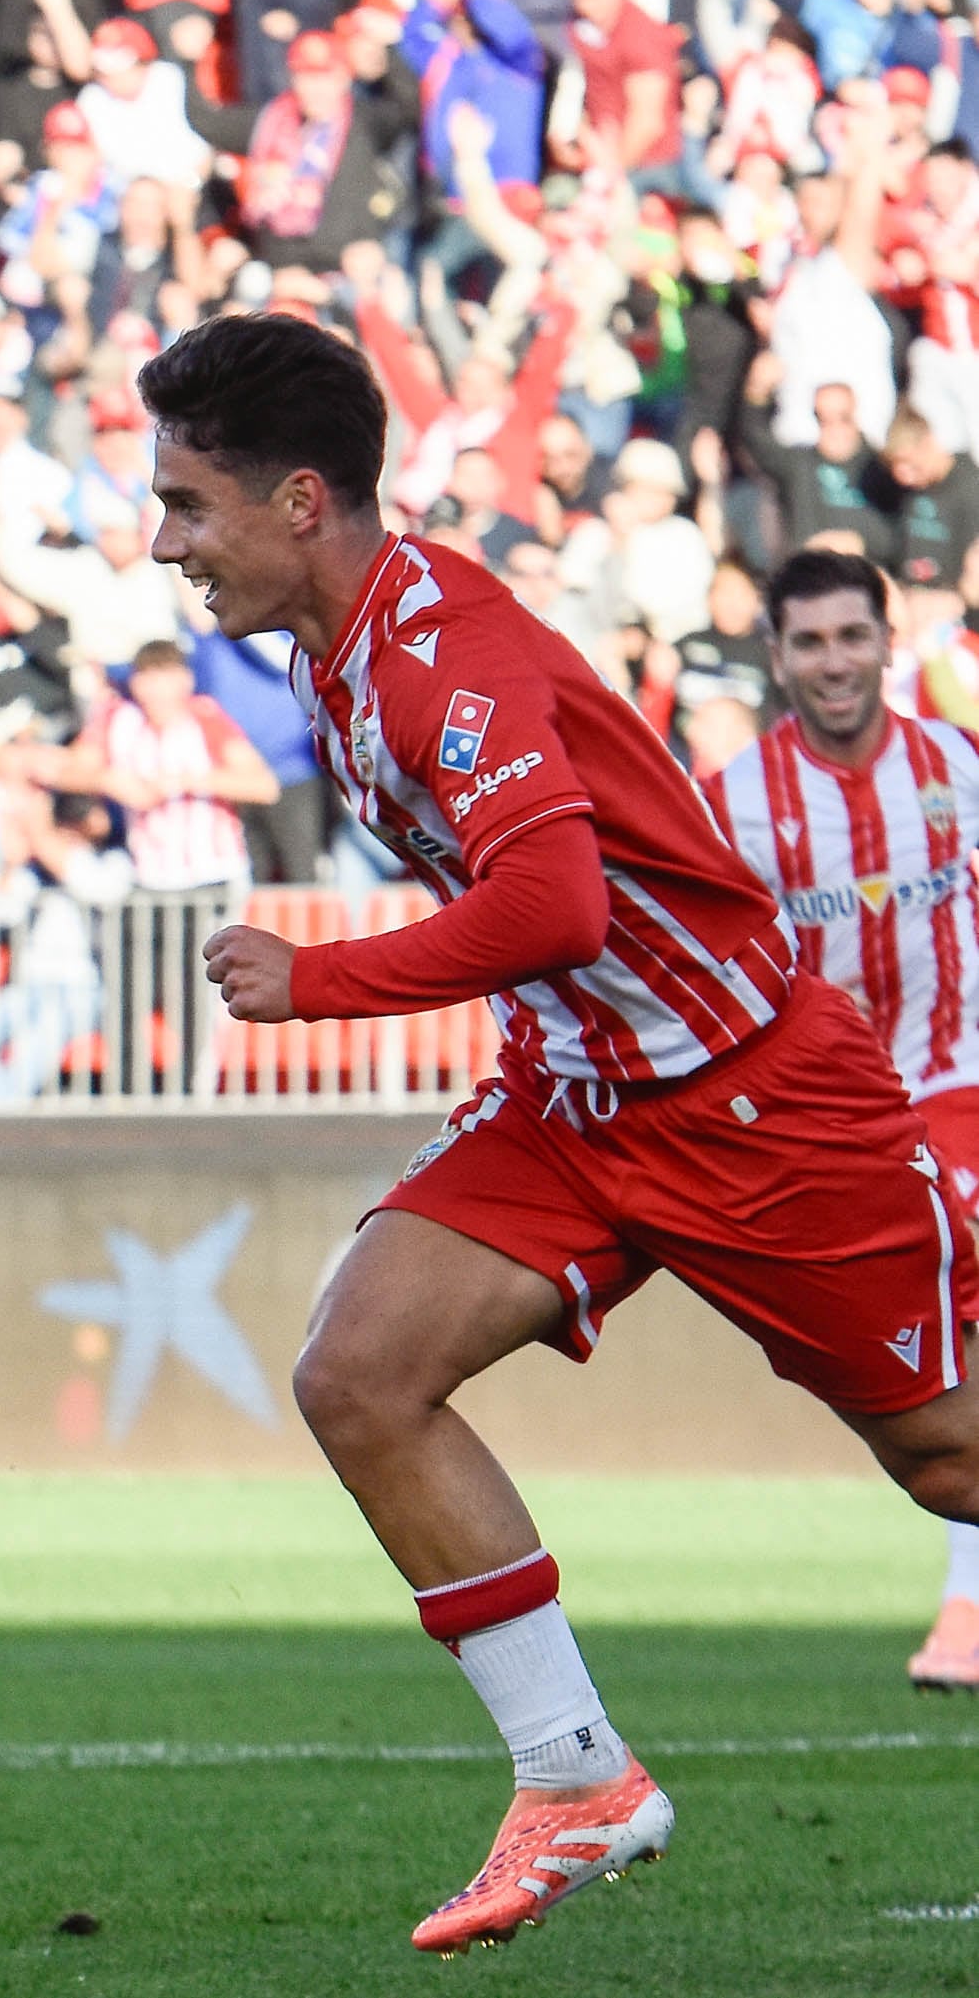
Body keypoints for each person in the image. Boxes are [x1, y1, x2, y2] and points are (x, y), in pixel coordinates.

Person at [149, 313, 979, 1953]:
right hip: (575, 1091)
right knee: (357, 1371)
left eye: (185, 502)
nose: (164, 539)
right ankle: (572, 1773)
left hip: (746, 1096)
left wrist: (315, 981)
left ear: (296, 497)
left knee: (942, 1455)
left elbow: (553, 895)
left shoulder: (434, 651)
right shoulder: (344, 646)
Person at [695, 548, 979, 1691]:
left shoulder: (956, 766)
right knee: (925, 1372)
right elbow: (710, 968)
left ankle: (963, 1611)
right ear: (775, 655)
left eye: (850, 636)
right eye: (808, 641)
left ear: (887, 637)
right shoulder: (733, 805)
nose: (833, 661)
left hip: (959, 1081)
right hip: (833, 1126)